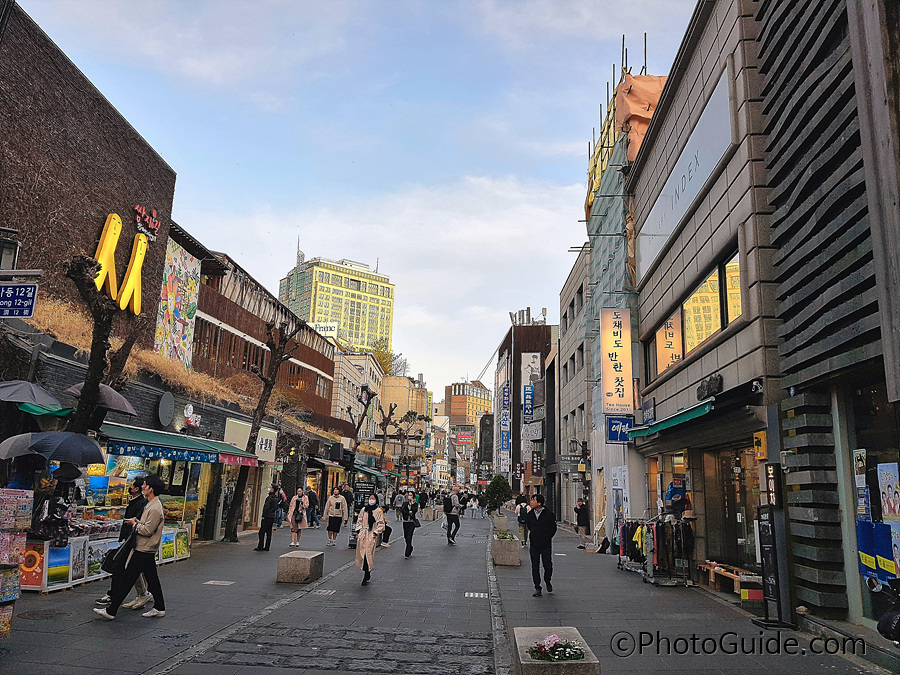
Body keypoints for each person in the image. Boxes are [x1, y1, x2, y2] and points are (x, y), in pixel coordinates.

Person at [94, 475, 166, 620]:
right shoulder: (151, 504)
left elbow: (147, 530)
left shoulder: (155, 508)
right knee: (151, 578)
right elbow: (146, 525)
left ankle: (111, 610)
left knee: (127, 578)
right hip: (146, 548)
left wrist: (135, 524)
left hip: (144, 547)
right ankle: (159, 607)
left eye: (145, 485)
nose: (143, 487)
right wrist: (137, 521)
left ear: (150, 489)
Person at [96, 477, 149, 609]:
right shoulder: (137, 502)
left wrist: (132, 525)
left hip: (132, 541)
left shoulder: (142, 504)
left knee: (124, 568)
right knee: (130, 569)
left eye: (131, 486)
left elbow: (141, 524)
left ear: (137, 489)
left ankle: (115, 598)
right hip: (129, 540)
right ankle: (141, 594)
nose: (129, 488)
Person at [526, 494, 557, 597]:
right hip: (534, 543)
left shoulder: (548, 514)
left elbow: (553, 528)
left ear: (539, 503)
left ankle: (547, 580)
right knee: (535, 567)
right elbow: (529, 526)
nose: (531, 502)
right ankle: (537, 587)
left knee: (547, 565)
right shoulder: (530, 514)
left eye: (533, 500)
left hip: (545, 544)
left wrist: (547, 536)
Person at [355, 495, 386, 586]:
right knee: (362, 554)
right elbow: (359, 520)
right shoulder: (364, 510)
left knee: (367, 554)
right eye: (370, 498)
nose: (371, 500)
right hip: (363, 533)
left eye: (373, 499)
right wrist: (359, 530)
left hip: (371, 534)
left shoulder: (378, 511)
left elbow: (381, 523)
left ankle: (366, 573)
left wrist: (375, 532)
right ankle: (366, 571)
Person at [254, 485, 282, 551]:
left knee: (262, 532)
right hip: (272, 516)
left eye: (271, 488)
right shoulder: (276, 498)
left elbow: (266, 507)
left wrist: (263, 515)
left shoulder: (269, 498)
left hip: (267, 516)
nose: (269, 489)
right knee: (269, 532)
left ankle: (260, 546)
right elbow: (276, 507)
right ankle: (267, 546)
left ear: (273, 489)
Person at [400, 491, 419, 558]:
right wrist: (408, 512)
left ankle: (407, 552)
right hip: (405, 521)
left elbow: (414, 511)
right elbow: (403, 510)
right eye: (409, 495)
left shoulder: (415, 504)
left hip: (411, 522)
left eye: (411, 495)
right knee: (405, 536)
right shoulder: (405, 503)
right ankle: (410, 547)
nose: (409, 496)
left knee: (409, 536)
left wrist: (412, 504)